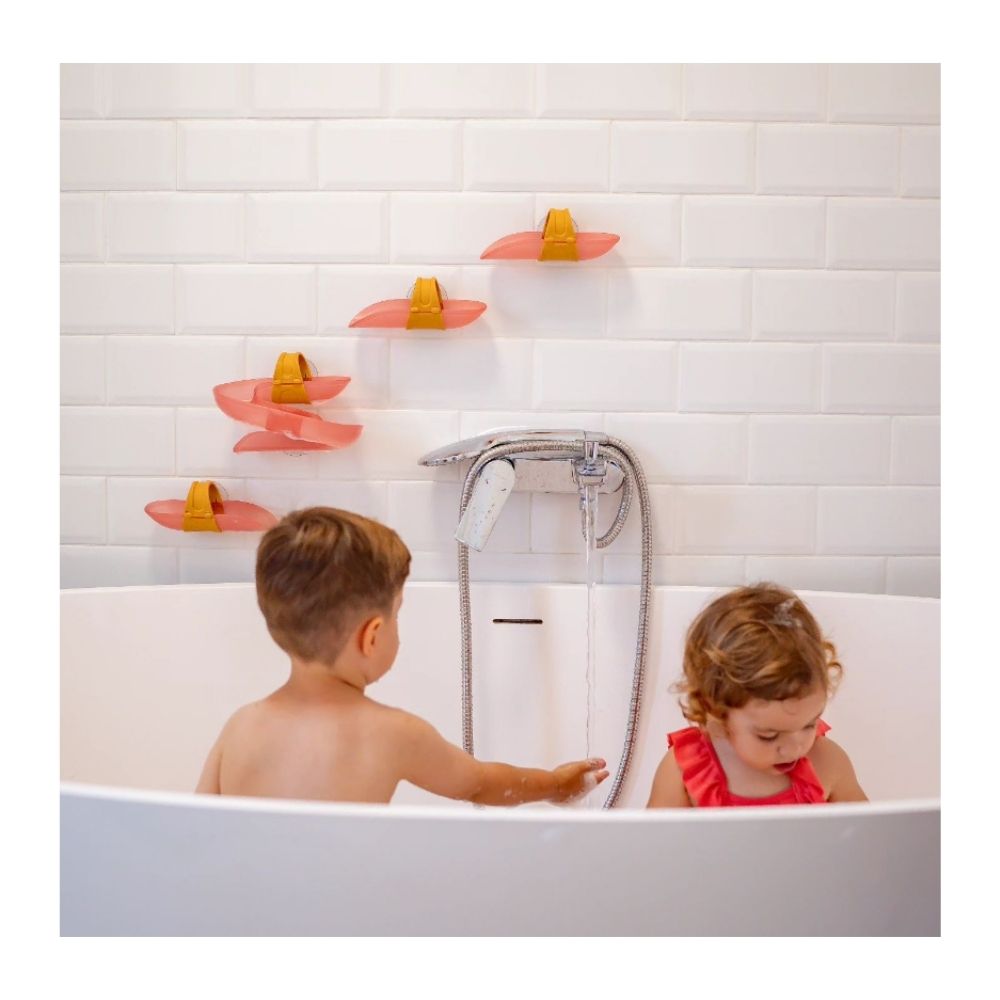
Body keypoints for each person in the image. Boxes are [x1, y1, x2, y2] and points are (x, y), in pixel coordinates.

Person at [196, 507, 607, 806]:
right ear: (372, 636)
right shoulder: (394, 734)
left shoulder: (241, 727)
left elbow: (194, 826)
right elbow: (481, 783)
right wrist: (557, 784)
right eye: (397, 614)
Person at [647, 583, 867, 808]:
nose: (794, 748)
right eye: (768, 736)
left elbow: (870, 828)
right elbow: (652, 832)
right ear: (716, 712)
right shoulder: (686, 770)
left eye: (809, 725)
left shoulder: (827, 762)